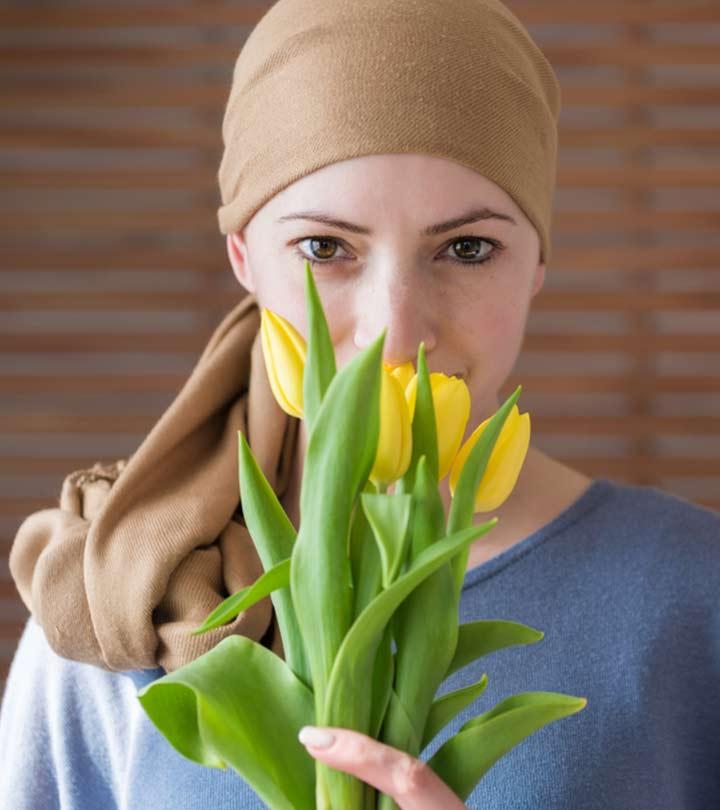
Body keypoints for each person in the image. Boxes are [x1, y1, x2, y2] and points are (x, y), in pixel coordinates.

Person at [2, 0, 720, 808]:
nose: (396, 328)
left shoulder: (695, 596)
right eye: (325, 248)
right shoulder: (116, 600)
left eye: (467, 248)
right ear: (243, 258)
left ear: (538, 265)